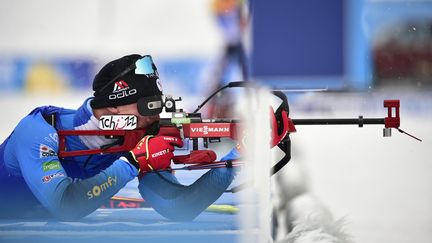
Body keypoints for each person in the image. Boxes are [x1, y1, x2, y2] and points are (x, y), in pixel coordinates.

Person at [0, 54, 238, 221]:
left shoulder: (136, 135)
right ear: (114, 107)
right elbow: (67, 207)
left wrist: (238, 155)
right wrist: (132, 163)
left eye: (159, 103)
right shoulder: (37, 131)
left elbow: (179, 207)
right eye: (148, 105)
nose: (156, 115)